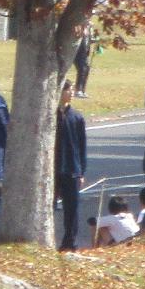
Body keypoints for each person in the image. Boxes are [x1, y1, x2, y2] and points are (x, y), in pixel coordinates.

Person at [55, 83, 89, 251]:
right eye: (67, 89)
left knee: (72, 208)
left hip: (71, 168)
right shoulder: (52, 115)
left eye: (72, 89)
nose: (71, 92)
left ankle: (70, 241)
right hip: (53, 170)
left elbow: (82, 146)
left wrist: (81, 170)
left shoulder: (76, 117)